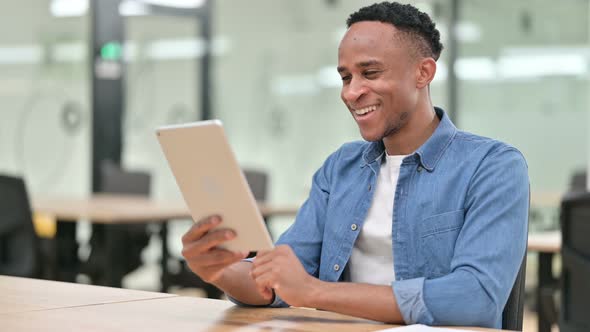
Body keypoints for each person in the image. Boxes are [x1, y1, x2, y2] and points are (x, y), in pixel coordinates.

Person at [181, 1, 529, 328]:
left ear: (423, 73)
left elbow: (474, 298)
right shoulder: (340, 168)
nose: (351, 92)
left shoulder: (493, 167)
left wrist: (315, 293)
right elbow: (278, 282)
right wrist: (220, 271)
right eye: (346, 77)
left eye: (370, 73)